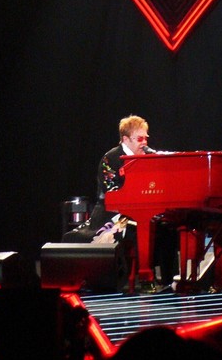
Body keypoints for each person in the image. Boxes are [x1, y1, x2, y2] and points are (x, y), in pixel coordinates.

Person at [63, 114, 177, 287]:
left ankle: (170, 281)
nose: (144, 142)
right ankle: (143, 280)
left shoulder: (147, 157)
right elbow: (112, 192)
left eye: (146, 137)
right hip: (112, 213)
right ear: (126, 139)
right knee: (139, 228)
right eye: (140, 138)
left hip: (140, 210)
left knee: (168, 227)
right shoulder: (111, 158)